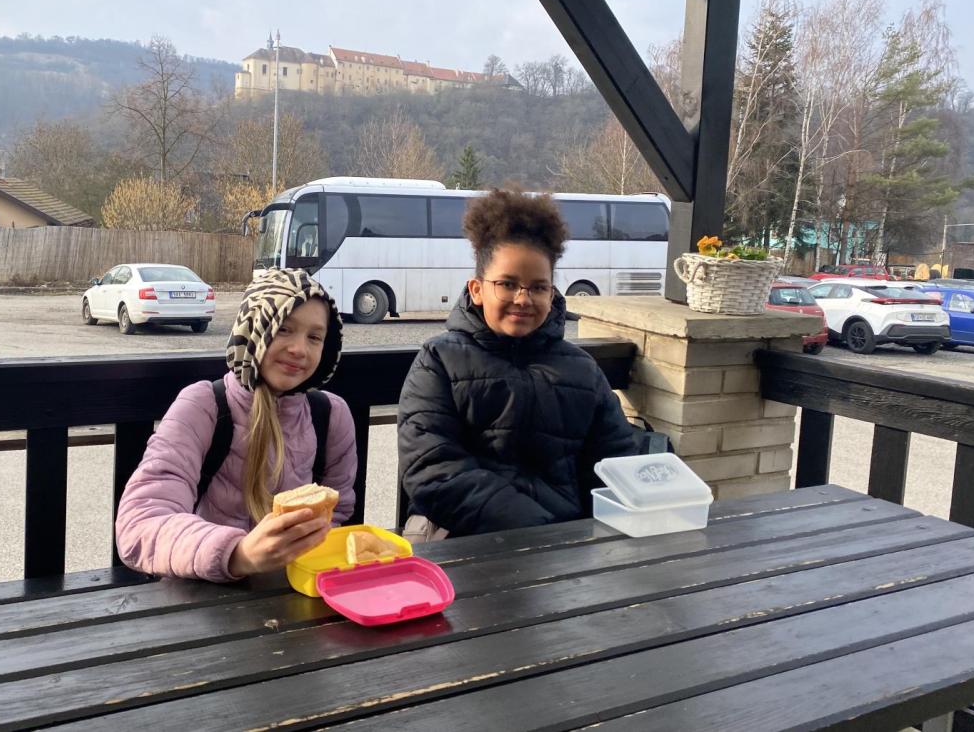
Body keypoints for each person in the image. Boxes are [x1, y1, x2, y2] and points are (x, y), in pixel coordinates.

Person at [397, 188, 637, 538]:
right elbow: (432, 470)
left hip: (566, 546)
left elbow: (616, 462)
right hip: (463, 540)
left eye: (538, 287)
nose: (523, 299)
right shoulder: (439, 360)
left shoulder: (582, 370)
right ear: (477, 289)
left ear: (552, 293)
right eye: (507, 284)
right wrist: (535, 532)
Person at [115, 268, 357, 582]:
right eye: (283, 329)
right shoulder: (204, 405)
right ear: (252, 328)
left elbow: (337, 511)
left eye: (314, 337)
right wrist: (239, 554)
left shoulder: (331, 414)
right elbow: (140, 524)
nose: (299, 349)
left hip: (295, 590)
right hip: (204, 593)